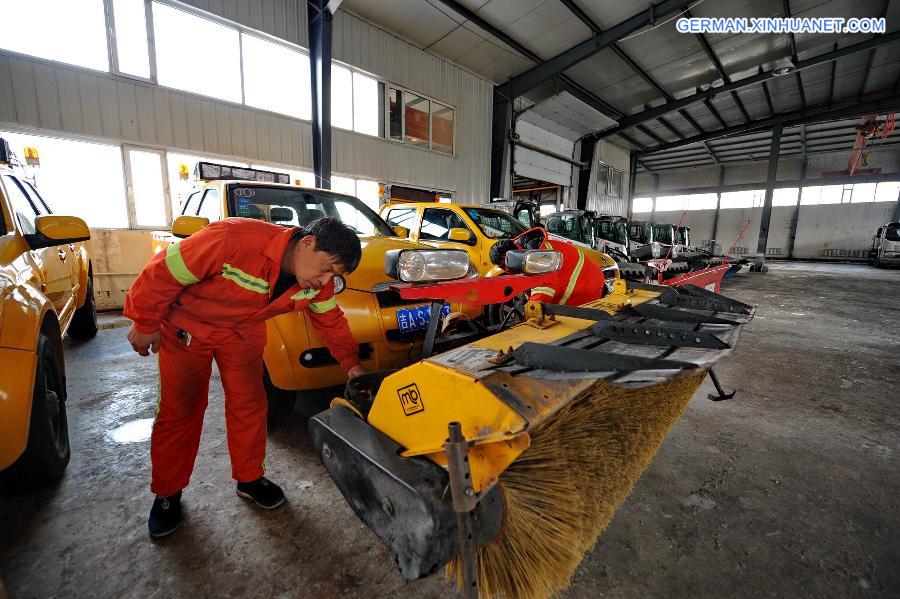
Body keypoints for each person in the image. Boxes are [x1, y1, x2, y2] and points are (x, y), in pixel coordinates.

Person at [124, 216, 367, 538]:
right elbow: (162, 272)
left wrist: (353, 366)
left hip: (242, 335)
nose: (325, 281)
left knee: (250, 405)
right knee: (180, 410)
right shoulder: (233, 238)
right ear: (307, 243)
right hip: (187, 329)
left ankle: (250, 479)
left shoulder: (315, 285)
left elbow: (331, 322)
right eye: (326, 269)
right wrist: (144, 323)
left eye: (335, 276)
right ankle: (167, 493)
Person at [489, 227, 605, 307]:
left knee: (566, 322)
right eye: (502, 267)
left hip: (588, 282)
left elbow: (543, 291)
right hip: (585, 279)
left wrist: (530, 315)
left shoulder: (539, 255)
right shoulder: (525, 254)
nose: (506, 269)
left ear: (512, 254)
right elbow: (531, 285)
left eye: (506, 263)